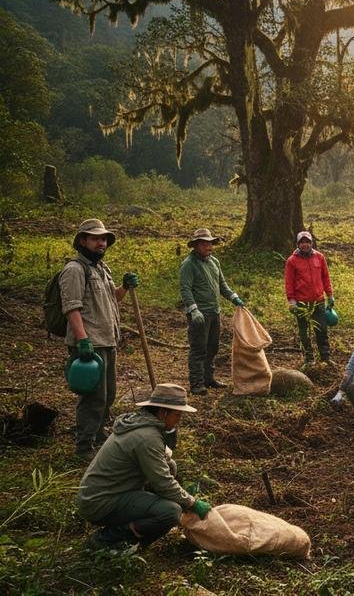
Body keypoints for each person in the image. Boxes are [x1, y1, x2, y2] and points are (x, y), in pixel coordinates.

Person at [77, 383, 212, 550]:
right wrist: (191, 503)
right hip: (101, 502)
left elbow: (163, 467)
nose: (178, 420)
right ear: (163, 413)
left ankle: (139, 516)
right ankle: (109, 539)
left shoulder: (139, 424)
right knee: (170, 512)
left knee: (170, 466)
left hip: (105, 493)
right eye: (177, 415)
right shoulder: (147, 437)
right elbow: (163, 483)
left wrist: (180, 495)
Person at [59, 219, 137, 460]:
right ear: (83, 241)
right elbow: (71, 307)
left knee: (108, 393)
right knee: (93, 396)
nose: (101, 243)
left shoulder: (102, 268)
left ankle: (99, 434)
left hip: (108, 339)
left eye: (103, 239)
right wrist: (83, 340)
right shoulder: (74, 270)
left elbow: (114, 299)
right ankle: (84, 444)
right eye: (95, 238)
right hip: (90, 343)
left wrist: (125, 287)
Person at [179, 228, 244, 395]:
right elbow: (185, 289)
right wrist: (193, 310)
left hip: (215, 312)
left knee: (212, 347)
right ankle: (196, 383)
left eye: (210, 243)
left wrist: (234, 297)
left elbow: (222, 285)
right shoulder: (188, 264)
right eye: (204, 244)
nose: (208, 247)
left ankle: (209, 378)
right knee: (199, 348)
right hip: (200, 314)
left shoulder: (214, 262)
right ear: (196, 246)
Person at [285, 231, 334, 369]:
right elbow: (289, 282)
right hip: (301, 303)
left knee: (322, 329)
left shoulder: (319, 257)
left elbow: (325, 277)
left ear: (311, 243)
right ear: (298, 244)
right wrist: (291, 301)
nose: (305, 245)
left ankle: (325, 357)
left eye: (307, 242)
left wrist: (330, 295)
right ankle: (309, 359)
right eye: (302, 242)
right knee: (304, 332)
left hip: (318, 301)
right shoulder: (292, 261)